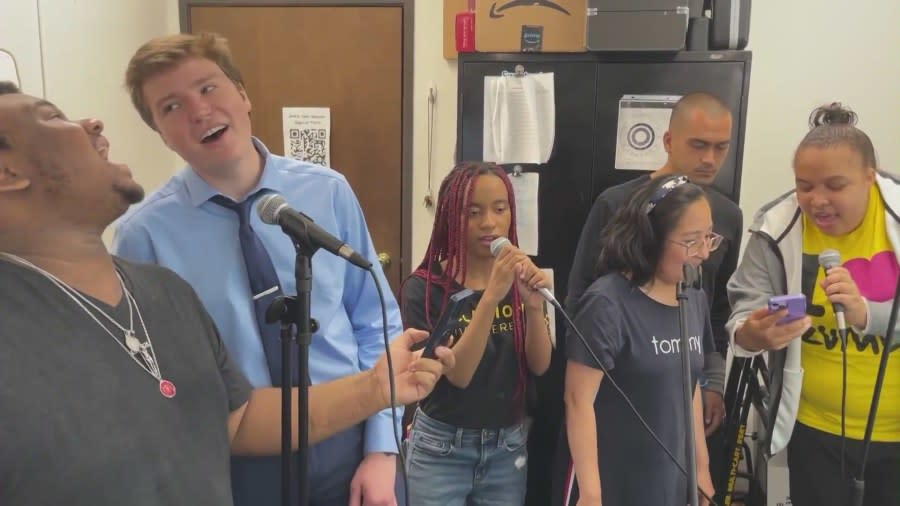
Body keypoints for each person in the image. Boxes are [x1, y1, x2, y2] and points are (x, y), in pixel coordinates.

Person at [0, 82, 454, 506]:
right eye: (52, 116)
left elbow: (236, 421)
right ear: (8, 173)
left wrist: (375, 390)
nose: (93, 124)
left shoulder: (164, 292)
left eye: (208, 86)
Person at [112, 33, 403, 506]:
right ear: (160, 135)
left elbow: (376, 322)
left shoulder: (327, 192)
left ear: (243, 94)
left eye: (208, 88)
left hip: (352, 442)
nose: (199, 111)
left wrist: (383, 450)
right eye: (171, 107)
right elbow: (154, 377)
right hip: (238, 461)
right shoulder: (142, 236)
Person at [726, 103, 900, 506]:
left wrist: (866, 315)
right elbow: (741, 311)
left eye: (834, 186)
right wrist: (752, 333)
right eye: (805, 185)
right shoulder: (776, 225)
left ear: (869, 178)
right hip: (815, 431)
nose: (817, 200)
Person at [567, 92, 742, 438]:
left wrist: (713, 381)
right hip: (617, 389)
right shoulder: (616, 205)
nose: (710, 158)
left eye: (721, 147)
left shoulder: (727, 216)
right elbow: (579, 298)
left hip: (683, 392)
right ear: (668, 140)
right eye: (698, 145)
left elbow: (718, 308)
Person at [400, 161, 553, 505]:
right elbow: (459, 375)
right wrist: (491, 297)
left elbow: (540, 365)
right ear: (451, 218)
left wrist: (533, 305)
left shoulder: (518, 279)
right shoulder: (424, 288)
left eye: (500, 209)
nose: (489, 223)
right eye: (473, 212)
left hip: (506, 447)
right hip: (442, 448)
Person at [560, 175, 717, 506]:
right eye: (691, 241)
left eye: (709, 238)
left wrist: (701, 467)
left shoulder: (693, 297)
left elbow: (689, 387)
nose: (704, 252)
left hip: (671, 477)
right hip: (612, 479)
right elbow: (577, 400)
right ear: (650, 240)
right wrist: (591, 492)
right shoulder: (606, 303)